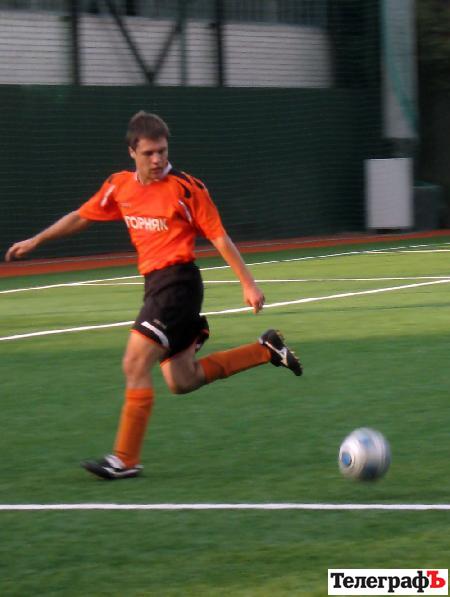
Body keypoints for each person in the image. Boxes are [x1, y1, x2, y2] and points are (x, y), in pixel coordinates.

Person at [5, 111, 302, 480]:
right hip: (156, 285)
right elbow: (82, 216)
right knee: (182, 380)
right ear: (132, 152)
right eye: (149, 153)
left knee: (134, 362)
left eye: (162, 151)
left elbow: (218, 236)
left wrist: (248, 283)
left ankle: (125, 459)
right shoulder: (119, 186)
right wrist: (37, 240)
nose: (158, 159)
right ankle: (265, 350)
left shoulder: (186, 188)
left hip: (178, 285)